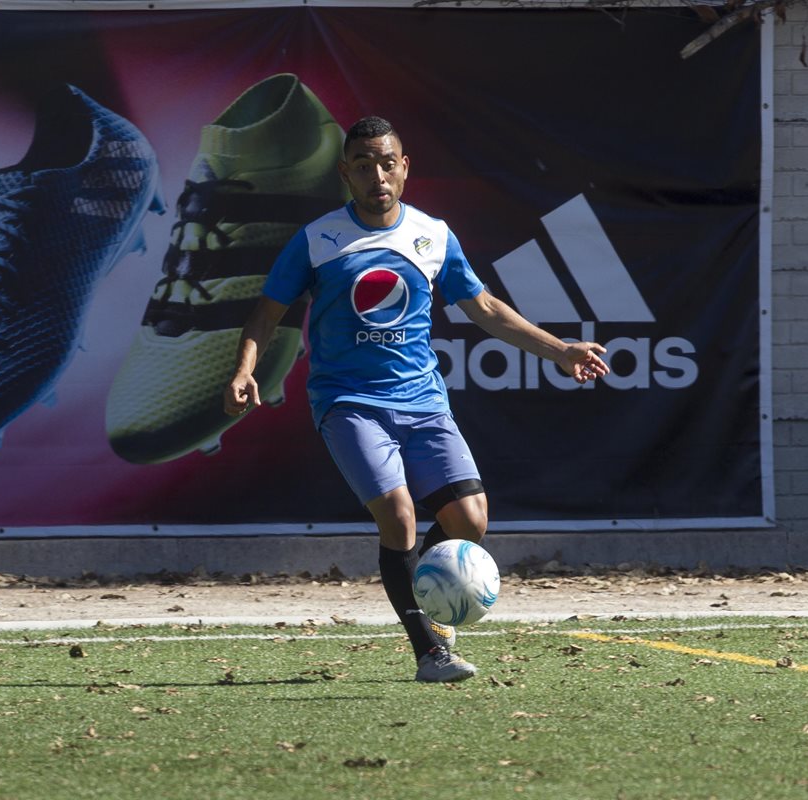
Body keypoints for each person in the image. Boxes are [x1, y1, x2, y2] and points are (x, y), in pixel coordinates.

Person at [224, 116, 609, 682]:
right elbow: (266, 313)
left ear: (404, 167)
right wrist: (244, 369)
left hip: (424, 404)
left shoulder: (433, 236)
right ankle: (430, 650)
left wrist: (561, 350)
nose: (376, 175)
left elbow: (487, 310)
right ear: (345, 173)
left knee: (470, 520)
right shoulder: (318, 239)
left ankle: (432, 593)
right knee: (400, 519)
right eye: (362, 165)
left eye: (386, 163)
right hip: (349, 402)